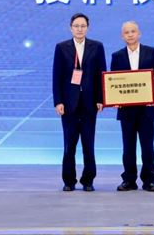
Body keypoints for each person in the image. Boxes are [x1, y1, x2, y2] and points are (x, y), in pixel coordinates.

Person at [53, 13, 106, 192]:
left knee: (88, 144)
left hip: (89, 103)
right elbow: (57, 76)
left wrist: (101, 99)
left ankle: (88, 180)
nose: (79, 29)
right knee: (69, 144)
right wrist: (58, 101)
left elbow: (101, 74)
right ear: (71, 28)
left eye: (83, 26)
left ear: (87, 28)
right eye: (76, 26)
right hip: (69, 104)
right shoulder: (61, 47)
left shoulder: (97, 47)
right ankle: (69, 181)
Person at [110, 21, 154, 192]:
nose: (130, 34)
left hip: (147, 107)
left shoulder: (151, 51)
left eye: (133, 31)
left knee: (147, 145)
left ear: (139, 33)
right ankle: (129, 180)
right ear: (122, 36)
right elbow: (113, 80)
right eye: (126, 32)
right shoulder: (117, 56)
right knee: (128, 146)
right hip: (126, 109)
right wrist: (114, 98)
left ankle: (149, 180)